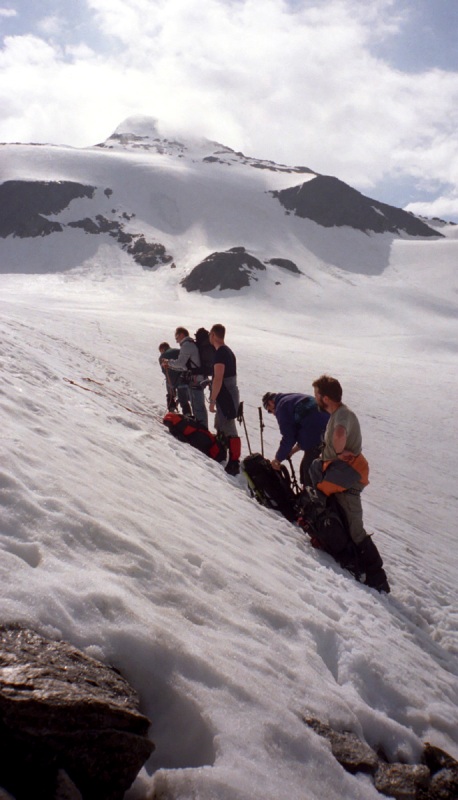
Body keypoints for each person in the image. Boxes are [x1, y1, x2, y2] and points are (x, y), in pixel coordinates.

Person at [310, 375, 390, 592]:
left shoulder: (342, 415)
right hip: (342, 474)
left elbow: (339, 433)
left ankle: (377, 578)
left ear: (325, 398)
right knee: (338, 511)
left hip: (349, 475)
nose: (315, 397)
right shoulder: (338, 413)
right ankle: (350, 557)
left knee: (355, 528)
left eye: (317, 394)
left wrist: (337, 451)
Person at [261, 392, 329, 487]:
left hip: (316, 434)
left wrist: (278, 459)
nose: (273, 413)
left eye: (270, 410)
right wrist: (292, 451)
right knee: (309, 465)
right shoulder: (292, 398)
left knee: (308, 470)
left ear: (271, 402)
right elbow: (303, 426)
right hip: (330, 428)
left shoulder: (281, 407)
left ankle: (312, 497)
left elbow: (289, 437)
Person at [208, 324, 241, 475]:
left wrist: (212, 399)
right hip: (229, 393)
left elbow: (218, 378)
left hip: (226, 395)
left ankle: (234, 461)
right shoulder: (227, 351)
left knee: (228, 425)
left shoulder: (220, 353)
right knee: (221, 423)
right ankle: (222, 453)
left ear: (213, 335)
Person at [161, 327, 208, 427]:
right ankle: (200, 429)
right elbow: (184, 366)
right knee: (196, 406)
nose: (176, 340)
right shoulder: (190, 344)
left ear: (182, 335)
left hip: (195, 379)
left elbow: (180, 363)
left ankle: (202, 431)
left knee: (198, 407)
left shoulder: (187, 345)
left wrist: (168, 363)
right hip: (195, 379)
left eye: (177, 337)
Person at [158, 341, 192, 415]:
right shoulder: (179, 351)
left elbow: (164, 371)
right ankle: (188, 415)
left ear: (162, 349)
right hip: (183, 378)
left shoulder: (162, 356)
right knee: (184, 400)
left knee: (170, 396)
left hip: (171, 380)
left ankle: (172, 411)